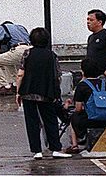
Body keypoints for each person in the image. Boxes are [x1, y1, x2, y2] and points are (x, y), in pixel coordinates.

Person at [16, 26, 71, 159]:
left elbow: (20, 74)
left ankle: (37, 151)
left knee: (32, 121)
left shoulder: (27, 54)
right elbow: (57, 75)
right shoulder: (52, 55)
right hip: (47, 92)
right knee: (50, 120)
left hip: (28, 91)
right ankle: (55, 148)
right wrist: (56, 92)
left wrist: (18, 92)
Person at [68, 57, 106, 154]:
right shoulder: (104, 83)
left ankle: (74, 145)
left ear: (83, 71)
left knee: (73, 117)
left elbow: (78, 108)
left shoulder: (82, 85)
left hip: (90, 120)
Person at [0, 21, 32, 96]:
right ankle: (15, 85)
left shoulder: (3, 27)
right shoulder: (21, 27)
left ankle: (4, 87)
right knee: (8, 62)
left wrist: (0, 53)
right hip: (30, 49)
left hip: (18, 49)